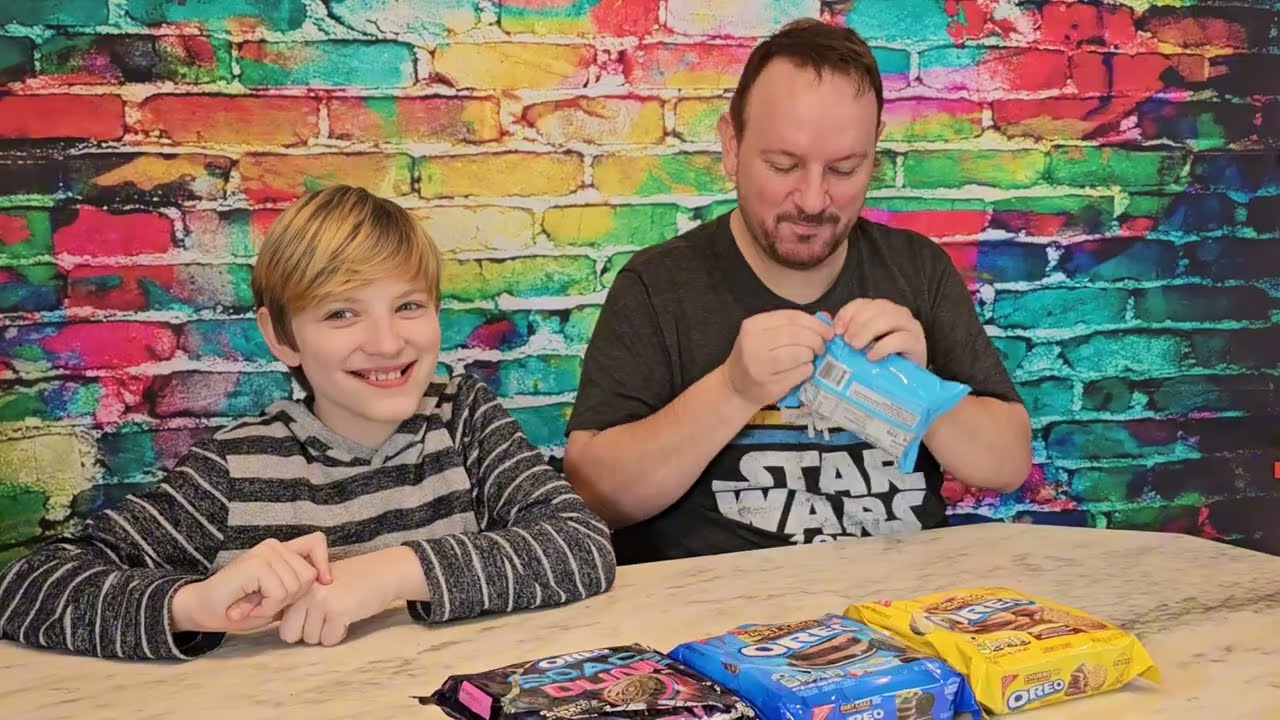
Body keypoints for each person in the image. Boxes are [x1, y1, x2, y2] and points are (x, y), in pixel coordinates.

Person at [0, 186, 616, 659]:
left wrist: (389, 573)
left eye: (408, 306)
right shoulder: (234, 470)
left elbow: (582, 545)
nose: (387, 342)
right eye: (341, 313)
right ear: (281, 336)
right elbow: (26, 587)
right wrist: (191, 604)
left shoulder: (463, 418)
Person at [564, 18, 1032, 565]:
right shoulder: (658, 286)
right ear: (732, 146)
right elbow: (594, 496)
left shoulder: (917, 270)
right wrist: (733, 391)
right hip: (720, 607)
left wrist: (920, 392)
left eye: (844, 169)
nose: (812, 199)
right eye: (783, 165)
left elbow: (1008, 465)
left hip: (900, 599)